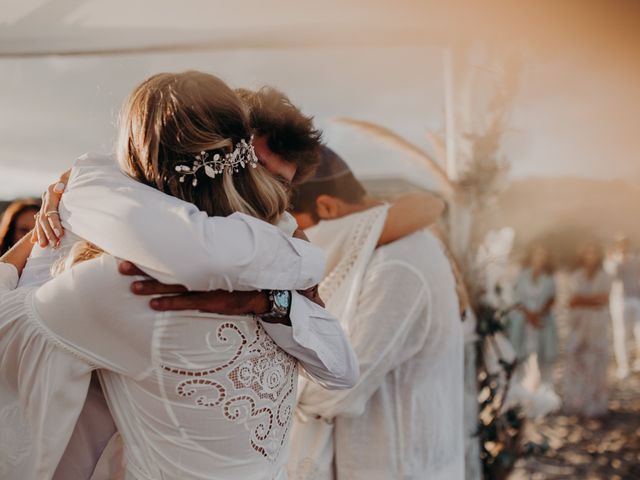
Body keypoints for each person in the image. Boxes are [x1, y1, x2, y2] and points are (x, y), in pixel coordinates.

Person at [0, 71, 359, 480]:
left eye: (278, 182)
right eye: (255, 168)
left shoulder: (132, 283)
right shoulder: (278, 259)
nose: (262, 194)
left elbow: (342, 369)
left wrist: (54, 220)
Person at [284, 148, 464, 480]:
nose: (295, 242)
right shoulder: (391, 251)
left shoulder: (398, 263)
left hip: (396, 464)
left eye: (293, 228)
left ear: (326, 207)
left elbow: (337, 389)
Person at [506, 244, 560, 416]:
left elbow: (552, 298)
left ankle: (545, 400)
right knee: (521, 358)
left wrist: (539, 314)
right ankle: (521, 398)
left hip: (542, 321)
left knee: (544, 360)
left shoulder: (549, 277)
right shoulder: (521, 275)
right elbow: (515, 298)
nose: (539, 258)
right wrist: (529, 315)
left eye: (543, 255)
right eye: (536, 254)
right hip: (524, 321)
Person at [564, 243, 611, 417]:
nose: (590, 257)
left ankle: (596, 405)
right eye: (587, 253)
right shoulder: (576, 276)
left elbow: (604, 300)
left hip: (597, 326)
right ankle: (577, 402)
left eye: (594, 253)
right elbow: (572, 301)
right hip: (579, 324)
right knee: (576, 359)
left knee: (597, 363)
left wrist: (583, 300)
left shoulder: (604, 276)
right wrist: (592, 301)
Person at [606, 235, 640, 379]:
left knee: (638, 332)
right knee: (621, 334)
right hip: (618, 300)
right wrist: (616, 260)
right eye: (620, 244)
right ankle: (623, 365)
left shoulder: (636, 259)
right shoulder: (611, 260)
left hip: (636, 298)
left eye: (624, 243)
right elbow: (611, 275)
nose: (623, 246)